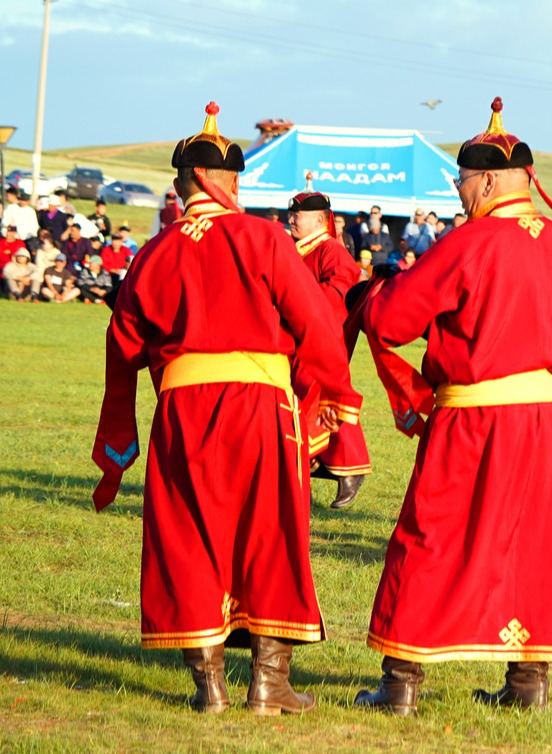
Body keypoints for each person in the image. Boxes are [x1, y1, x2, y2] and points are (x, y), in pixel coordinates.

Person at [353, 99, 552, 715]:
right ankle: (528, 685)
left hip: (473, 417)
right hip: (545, 418)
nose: (457, 192)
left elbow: (395, 322)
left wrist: (376, 293)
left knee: (431, 536)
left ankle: (400, 685)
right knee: (539, 542)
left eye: (460, 180)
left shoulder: (468, 241)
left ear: (485, 180)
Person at [89, 102, 354, 715]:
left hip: (182, 411)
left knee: (188, 537)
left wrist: (118, 434)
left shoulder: (152, 253)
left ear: (182, 187)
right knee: (268, 532)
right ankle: (269, 683)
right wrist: (335, 396)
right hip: (258, 405)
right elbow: (315, 322)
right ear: (231, 183)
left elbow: (120, 347)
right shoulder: (263, 237)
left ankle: (209, 685)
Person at [287, 190, 372, 508]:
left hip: (320, 340)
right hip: (292, 341)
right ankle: (309, 467)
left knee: (310, 396)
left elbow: (340, 289)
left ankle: (346, 468)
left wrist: (295, 302)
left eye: (299, 215)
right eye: (291, 213)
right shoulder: (291, 250)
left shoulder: (331, 249)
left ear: (321, 220)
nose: (292, 219)